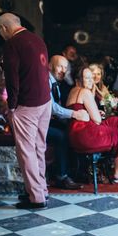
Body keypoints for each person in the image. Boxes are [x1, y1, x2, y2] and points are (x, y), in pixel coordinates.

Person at [0, 13, 52, 208]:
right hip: (45, 101)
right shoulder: (37, 39)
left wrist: (11, 107)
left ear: (4, 28)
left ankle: (36, 198)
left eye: (1, 31)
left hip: (28, 104)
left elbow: (13, 80)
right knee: (39, 147)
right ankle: (42, 189)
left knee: (26, 152)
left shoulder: (12, 44)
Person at [47, 55, 88, 190]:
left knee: (74, 130)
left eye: (65, 67)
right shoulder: (46, 81)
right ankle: (61, 176)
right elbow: (52, 108)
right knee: (62, 136)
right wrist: (74, 114)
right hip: (39, 124)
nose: (63, 70)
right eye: (60, 66)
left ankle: (76, 171)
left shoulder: (56, 84)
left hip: (50, 121)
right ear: (49, 66)